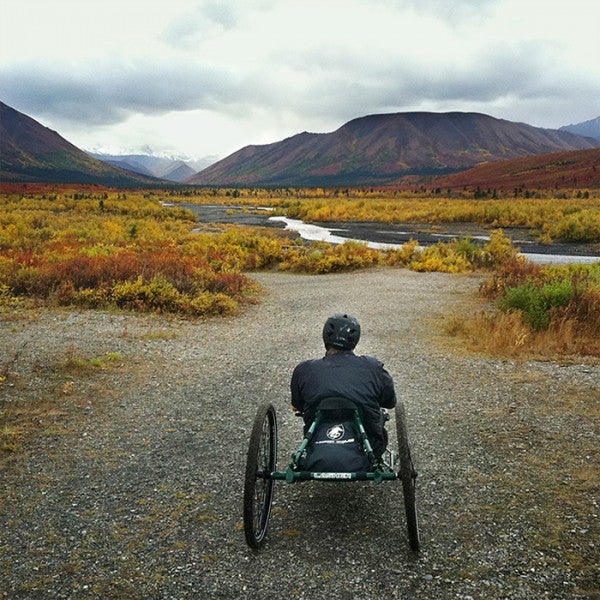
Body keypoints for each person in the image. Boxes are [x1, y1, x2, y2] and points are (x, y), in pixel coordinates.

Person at [290, 313, 396, 459]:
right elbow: (390, 402)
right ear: (355, 340)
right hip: (369, 445)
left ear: (325, 337)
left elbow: (298, 405)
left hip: (316, 443)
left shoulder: (304, 369)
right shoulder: (373, 367)